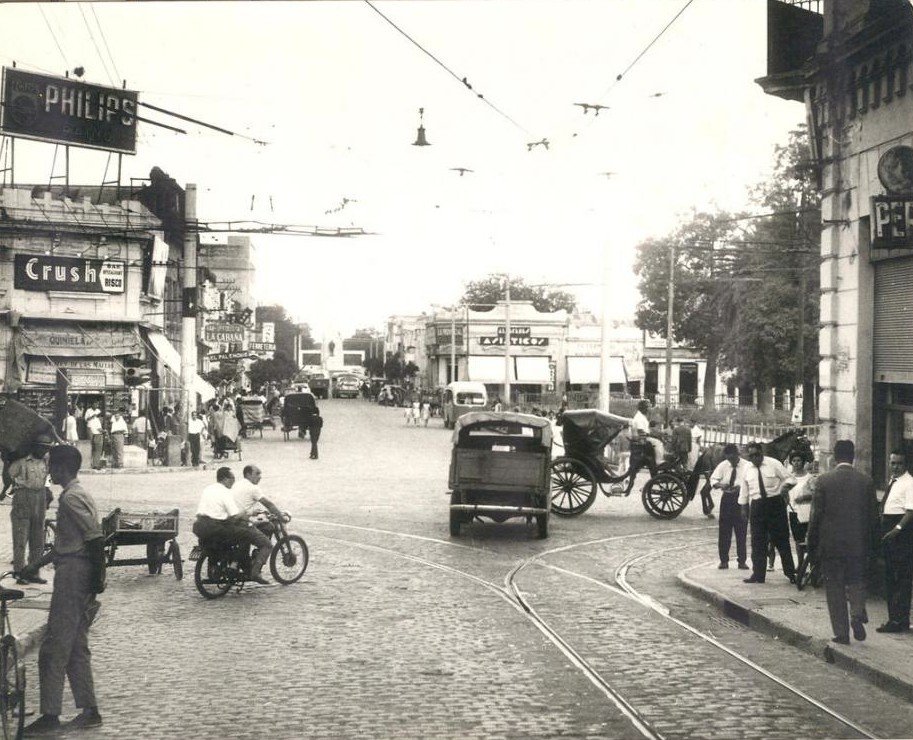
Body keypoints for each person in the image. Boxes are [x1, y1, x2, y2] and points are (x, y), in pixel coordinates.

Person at [20, 444, 105, 735]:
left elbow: (95, 539)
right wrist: (35, 565)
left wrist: (97, 579)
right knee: (77, 647)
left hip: (73, 576)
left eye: (50, 466)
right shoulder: (75, 494)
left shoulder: (71, 499)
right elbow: (66, 544)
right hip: (73, 570)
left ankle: (50, 716)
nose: (47, 471)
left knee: (53, 648)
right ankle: (89, 710)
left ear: (61, 468)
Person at [806, 439, 878, 644]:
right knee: (857, 581)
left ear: (834, 457)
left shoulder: (824, 480)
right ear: (853, 456)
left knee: (835, 587)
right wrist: (872, 545)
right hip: (858, 544)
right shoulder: (866, 481)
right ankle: (856, 614)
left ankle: (841, 633)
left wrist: (811, 542)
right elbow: (874, 518)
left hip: (831, 545)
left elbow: (816, 516)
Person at [192, 467, 272, 584]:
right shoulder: (225, 492)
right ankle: (239, 566)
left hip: (199, 526)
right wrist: (252, 519)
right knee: (246, 534)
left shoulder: (208, 489)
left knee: (227, 537)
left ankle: (214, 568)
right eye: (232, 479)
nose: (233, 481)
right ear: (225, 479)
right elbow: (235, 515)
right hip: (215, 527)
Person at [739, 441, 797, 585]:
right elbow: (744, 490)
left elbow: (791, 478)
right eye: (751, 456)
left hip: (775, 504)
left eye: (757, 455)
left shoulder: (774, 464)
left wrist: (785, 488)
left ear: (761, 453)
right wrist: (744, 508)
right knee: (757, 542)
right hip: (757, 506)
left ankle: (791, 573)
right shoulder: (746, 468)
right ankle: (758, 575)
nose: (754, 458)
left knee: (781, 540)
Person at [876, 449, 913, 633]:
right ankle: (896, 618)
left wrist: (897, 529)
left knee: (901, 577)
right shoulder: (893, 481)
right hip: (889, 529)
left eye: (899, 463)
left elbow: (910, 511)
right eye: (892, 463)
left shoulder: (909, 483)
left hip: (901, 533)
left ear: (905, 464)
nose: (895, 466)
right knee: (890, 576)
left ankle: (899, 620)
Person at [8, 441, 51, 584]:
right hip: (23, 496)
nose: (44, 449)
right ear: (35, 446)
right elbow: (9, 475)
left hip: (40, 496)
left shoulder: (45, 461)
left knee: (38, 537)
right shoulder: (21, 461)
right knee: (21, 536)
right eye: (42, 446)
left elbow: (47, 479)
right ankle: (19, 572)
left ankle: (33, 571)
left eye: (47, 447)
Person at [709, 443, 749, 570]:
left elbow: (750, 481)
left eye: (733, 458)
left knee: (741, 531)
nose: (731, 461)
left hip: (741, 500)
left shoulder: (747, 465)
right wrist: (721, 485)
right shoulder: (723, 465)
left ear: (738, 455)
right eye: (728, 458)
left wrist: (740, 487)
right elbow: (713, 479)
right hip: (727, 499)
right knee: (724, 531)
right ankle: (724, 561)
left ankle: (742, 561)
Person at [232, 464, 284, 540]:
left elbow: (241, 503)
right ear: (248, 475)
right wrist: (282, 517)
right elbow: (269, 505)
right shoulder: (253, 488)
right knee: (269, 527)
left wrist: (252, 512)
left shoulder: (237, 484)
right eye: (257, 473)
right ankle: (262, 549)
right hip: (241, 522)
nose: (260, 477)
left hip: (233, 520)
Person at [783, 449, 815, 570]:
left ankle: (812, 564)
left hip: (807, 512)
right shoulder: (789, 478)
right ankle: (800, 564)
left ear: (803, 462)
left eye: (799, 461)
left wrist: (804, 497)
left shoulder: (809, 478)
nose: (796, 463)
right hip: (793, 511)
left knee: (809, 539)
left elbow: (815, 494)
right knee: (798, 539)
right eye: (794, 461)